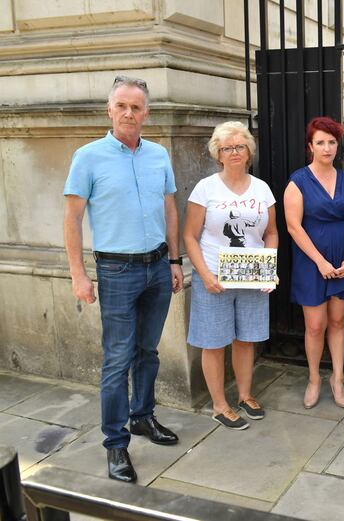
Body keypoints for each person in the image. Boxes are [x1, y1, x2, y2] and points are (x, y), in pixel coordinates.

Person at [63, 75, 183, 483]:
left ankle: (142, 417)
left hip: (158, 267)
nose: (129, 113)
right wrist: (79, 274)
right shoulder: (88, 156)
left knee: (147, 352)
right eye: (122, 106)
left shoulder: (158, 155)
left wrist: (175, 260)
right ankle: (115, 445)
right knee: (116, 361)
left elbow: (170, 209)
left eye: (136, 106)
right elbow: (73, 220)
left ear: (146, 112)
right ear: (109, 110)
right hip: (115, 270)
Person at [183, 121, 279, 431]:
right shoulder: (205, 188)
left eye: (240, 146)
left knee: (245, 339)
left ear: (249, 151)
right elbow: (189, 236)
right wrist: (205, 274)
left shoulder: (262, 188)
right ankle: (219, 405)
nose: (234, 152)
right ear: (218, 154)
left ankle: (245, 395)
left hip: (250, 274)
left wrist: (269, 268)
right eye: (227, 148)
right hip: (214, 276)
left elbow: (272, 232)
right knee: (213, 342)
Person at [285, 117, 344, 410]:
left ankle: (338, 379)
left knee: (338, 321)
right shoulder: (298, 181)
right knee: (315, 325)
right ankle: (315, 378)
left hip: (343, 261)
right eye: (321, 142)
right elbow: (294, 227)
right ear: (310, 146)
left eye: (331, 142)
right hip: (311, 263)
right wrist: (319, 261)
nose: (327, 148)